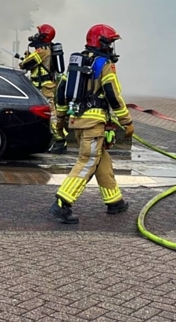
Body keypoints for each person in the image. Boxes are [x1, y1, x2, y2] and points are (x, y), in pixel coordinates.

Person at [51, 24, 134, 224]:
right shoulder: (104, 64)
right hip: (94, 124)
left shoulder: (76, 63)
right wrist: (127, 122)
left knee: (101, 160)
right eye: (110, 43)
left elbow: (61, 94)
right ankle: (62, 202)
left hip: (77, 121)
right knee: (87, 161)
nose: (111, 47)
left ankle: (114, 201)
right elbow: (113, 95)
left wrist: (61, 120)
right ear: (101, 43)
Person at [17, 24, 68, 152]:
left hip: (44, 88)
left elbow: (25, 65)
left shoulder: (43, 51)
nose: (36, 35)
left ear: (44, 35)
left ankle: (60, 140)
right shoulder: (45, 49)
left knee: (51, 115)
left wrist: (26, 59)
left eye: (39, 33)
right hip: (43, 87)